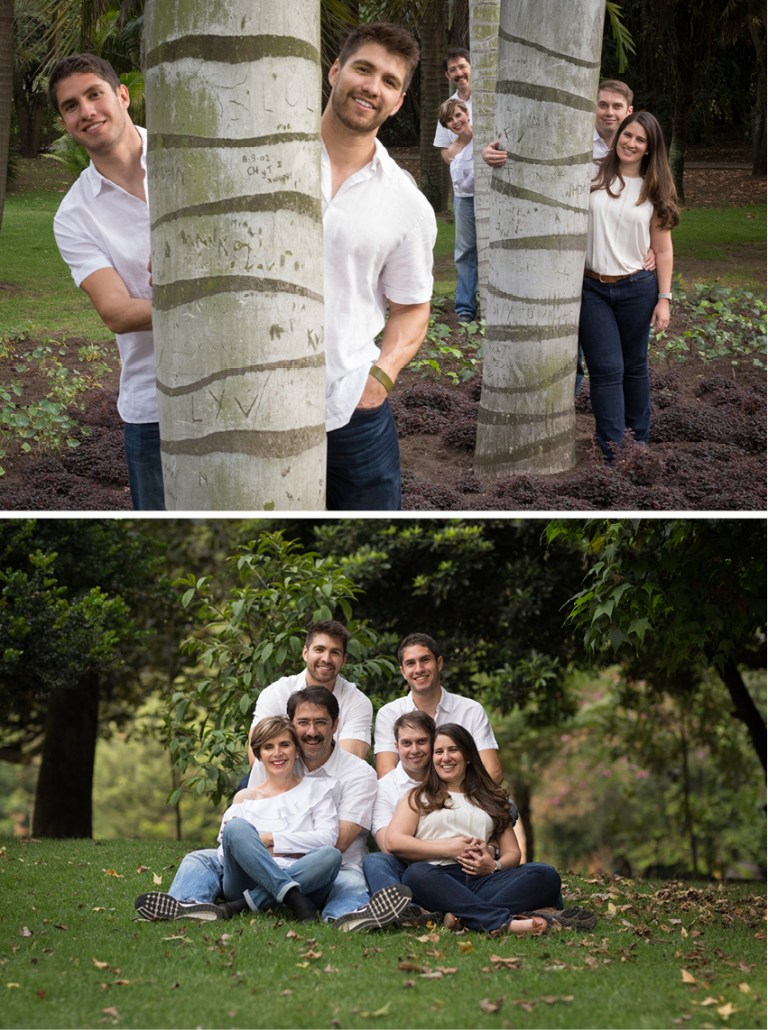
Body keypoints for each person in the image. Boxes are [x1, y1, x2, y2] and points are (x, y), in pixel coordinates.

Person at [135, 688, 379, 925]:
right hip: (255, 872)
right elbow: (232, 843)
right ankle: (188, 904)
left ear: (335, 725)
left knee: (333, 860)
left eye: (321, 723)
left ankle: (244, 905)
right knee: (202, 855)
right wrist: (257, 850)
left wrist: (268, 840)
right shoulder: (257, 782)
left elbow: (335, 841)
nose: (311, 731)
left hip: (315, 868)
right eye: (303, 722)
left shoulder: (346, 778)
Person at [322, 23, 437, 510]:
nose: (372, 86)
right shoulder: (263, 160)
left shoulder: (405, 202)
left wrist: (379, 380)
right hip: (247, 396)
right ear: (335, 72)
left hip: (351, 403)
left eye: (389, 81)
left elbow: (413, 309)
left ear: (398, 100)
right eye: (363, 69)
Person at [481, 78, 651, 396]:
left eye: (617, 107)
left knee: (621, 359)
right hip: (567, 260)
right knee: (568, 346)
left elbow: (655, 202)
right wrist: (490, 151)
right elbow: (535, 158)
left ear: (629, 111)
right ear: (592, 108)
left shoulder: (639, 149)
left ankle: (625, 430)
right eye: (602, 105)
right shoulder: (572, 140)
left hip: (620, 271)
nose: (609, 112)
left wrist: (651, 245)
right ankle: (561, 407)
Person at [48, 54, 164, 510]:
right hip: (150, 404)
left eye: (94, 94)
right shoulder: (74, 215)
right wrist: (197, 298)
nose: (87, 111)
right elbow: (115, 313)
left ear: (122, 95)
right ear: (65, 122)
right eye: (71, 105)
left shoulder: (190, 157)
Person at [386, 725, 575, 934]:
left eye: (453, 750)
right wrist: (448, 849)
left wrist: (493, 866)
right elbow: (394, 841)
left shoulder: (489, 798)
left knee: (544, 874)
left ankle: (462, 917)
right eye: (439, 752)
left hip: (483, 880)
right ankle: (505, 922)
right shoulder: (419, 796)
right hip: (438, 879)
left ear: (467, 755)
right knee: (415, 874)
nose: (445, 757)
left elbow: (513, 852)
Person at [579, 111, 678, 460]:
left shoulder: (654, 189)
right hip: (591, 290)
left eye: (640, 140)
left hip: (637, 288)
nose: (631, 143)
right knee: (606, 369)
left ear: (650, 149)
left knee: (634, 366)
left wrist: (663, 298)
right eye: (627, 134)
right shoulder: (590, 172)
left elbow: (663, 249)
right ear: (618, 134)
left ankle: (638, 444)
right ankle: (613, 452)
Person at [374, 633, 502, 784]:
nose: (419, 669)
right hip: (410, 803)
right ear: (403, 672)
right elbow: (385, 772)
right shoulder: (389, 714)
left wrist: (457, 801)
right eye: (410, 663)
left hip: (465, 799)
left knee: (509, 806)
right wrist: (423, 804)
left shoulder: (471, 710)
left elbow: (493, 771)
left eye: (425, 660)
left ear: (439, 663)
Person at [249, 621, 372, 762]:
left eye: (335, 652)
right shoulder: (276, 693)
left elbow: (349, 763)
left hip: (335, 782)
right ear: (305, 653)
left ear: (344, 660)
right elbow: (257, 757)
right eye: (319, 650)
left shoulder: (357, 702)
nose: (326, 659)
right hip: (278, 779)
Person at [433, 49, 477, 323]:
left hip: (495, 190)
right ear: (447, 75)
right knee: (465, 251)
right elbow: (445, 154)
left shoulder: (489, 97)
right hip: (464, 193)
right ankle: (464, 308)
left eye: (462, 66)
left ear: (471, 66)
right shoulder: (449, 108)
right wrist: (461, 141)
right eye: (453, 70)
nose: (459, 73)